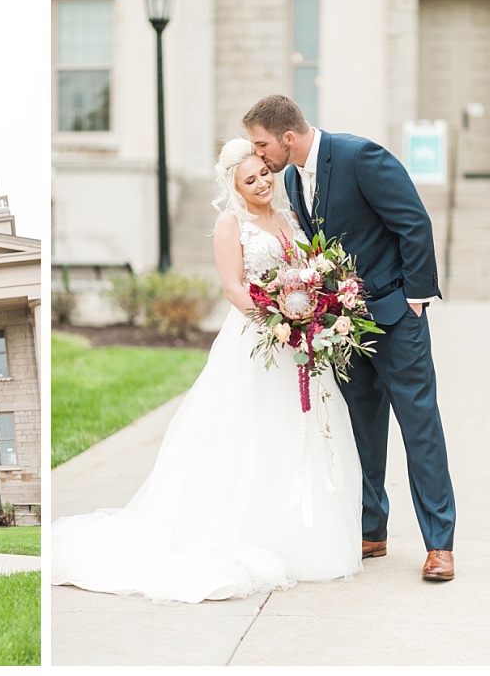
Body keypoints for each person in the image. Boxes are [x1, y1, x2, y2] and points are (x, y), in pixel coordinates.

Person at [51, 138, 363, 603]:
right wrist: (280, 324)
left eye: (263, 173)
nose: (261, 183)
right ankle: (243, 528)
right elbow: (234, 288)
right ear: (234, 187)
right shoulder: (229, 223)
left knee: (298, 431)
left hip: (300, 343)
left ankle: (303, 533)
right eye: (249, 179)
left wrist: (312, 315)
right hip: (260, 339)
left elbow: (309, 270)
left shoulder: (289, 218)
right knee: (249, 430)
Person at [243, 94, 456, 581]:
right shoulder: (294, 178)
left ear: (287, 138)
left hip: (397, 319)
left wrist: (416, 298)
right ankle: (372, 531)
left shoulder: (361, 157)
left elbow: (413, 223)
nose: (259, 156)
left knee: (419, 427)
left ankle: (440, 543)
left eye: (262, 145)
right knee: (360, 430)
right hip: (343, 326)